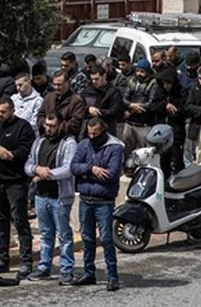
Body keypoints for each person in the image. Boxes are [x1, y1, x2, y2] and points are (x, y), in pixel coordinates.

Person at [0, 97, 36, 277]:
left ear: (12, 110)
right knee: (1, 222)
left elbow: (23, 152)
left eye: (3, 112)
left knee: (20, 221)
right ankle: (2, 259)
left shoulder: (23, 127)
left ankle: (26, 261)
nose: (0, 115)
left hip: (15, 181)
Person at [24, 111, 78, 284]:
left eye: (52, 126)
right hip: (41, 195)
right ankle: (44, 266)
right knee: (46, 234)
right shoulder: (39, 141)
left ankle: (66, 269)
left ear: (61, 125)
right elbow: (28, 164)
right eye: (47, 125)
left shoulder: (69, 143)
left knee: (64, 234)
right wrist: (36, 170)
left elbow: (68, 169)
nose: (49, 129)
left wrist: (45, 174)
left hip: (59, 197)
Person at [69, 118, 122, 291]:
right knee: (87, 238)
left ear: (103, 131)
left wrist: (85, 174)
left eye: (95, 133)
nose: (92, 136)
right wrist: (92, 169)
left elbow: (112, 174)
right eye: (90, 133)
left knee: (106, 239)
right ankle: (88, 272)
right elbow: (74, 167)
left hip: (104, 201)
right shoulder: (84, 144)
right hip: (85, 198)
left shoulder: (114, 147)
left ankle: (112, 276)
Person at [118, 61, 161, 159]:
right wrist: (132, 105)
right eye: (137, 71)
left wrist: (134, 108)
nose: (139, 74)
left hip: (144, 125)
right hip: (129, 124)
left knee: (144, 154)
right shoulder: (132, 81)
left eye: (142, 71)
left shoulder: (153, 83)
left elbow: (150, 103)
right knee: (127, 154)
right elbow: (124, 99)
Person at [37, 70, 87, 142]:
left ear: (67, 83)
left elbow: (75, 124)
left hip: (66, 140)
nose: (56, 87)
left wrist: (56, 128)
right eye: (54, 84)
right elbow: (40, 116)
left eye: (59, 85)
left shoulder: (76, 101)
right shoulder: (49, 97)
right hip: (47, 138)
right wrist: (46, 125)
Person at [154, 68, 187, 175]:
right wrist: (165, 105)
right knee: (164, 162)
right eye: (164, 83)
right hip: (162, 134)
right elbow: (153, 106)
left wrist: (173, 110)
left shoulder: (181, 92)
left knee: (177, 161)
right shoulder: (159, 91)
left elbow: (184, 111)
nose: (166, 86)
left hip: (176, 132)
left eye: (169, 84)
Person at [81, 65, 124, 136]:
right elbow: (80, 106)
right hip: (88, 129)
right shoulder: (87, 91)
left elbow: (115, 111)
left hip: (106, 129)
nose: (94, 82)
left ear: (104, 76)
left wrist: (98, 112)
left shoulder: (113, 92)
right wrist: (88, 109)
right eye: (92, 79)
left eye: (96, 79)